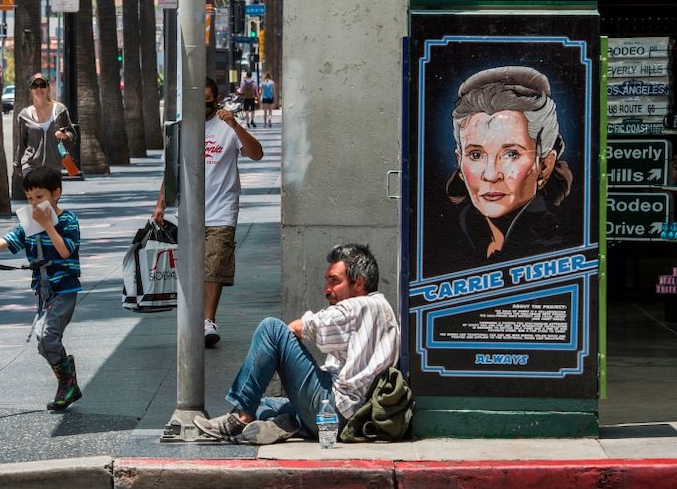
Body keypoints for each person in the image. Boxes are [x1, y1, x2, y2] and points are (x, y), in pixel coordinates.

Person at [193, 244, 400, 443]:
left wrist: (277, 356)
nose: (326, 289)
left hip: (339, 411)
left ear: (359, 283)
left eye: (334, 281)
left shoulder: (358, 306)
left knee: (271, 329)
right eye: (326, 281)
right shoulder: (381, 308)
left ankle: (241, 419)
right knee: (266, 403)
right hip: (354, 415)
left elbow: (301, 327)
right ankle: (288, 423)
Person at [429, 65, 576, 276]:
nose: (491, 174)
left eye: (511, 154)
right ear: (460, 163)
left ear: (544, 165)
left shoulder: (559, 238)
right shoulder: (448, 234)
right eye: (476, 155)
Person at [0, 165, 83, 411]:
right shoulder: (29, 222)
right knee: (42, 341)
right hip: (43, 290)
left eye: (40, 197)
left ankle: (67, 381)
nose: (35, 204)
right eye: (30, 199)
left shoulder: (68, 220)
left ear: (56, 193)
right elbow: (9, 240)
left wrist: (48, 225)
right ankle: (67, 380)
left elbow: (65, 250)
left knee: (48, 335)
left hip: (64, 290)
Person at [153, 78, 263, 347]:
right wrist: (160, 204)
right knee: (193, 269)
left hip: (222, 210)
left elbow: (256, 154)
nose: (203, 105)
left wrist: (235, 126)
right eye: (197, 100)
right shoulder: (181, 130)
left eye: (208, 100)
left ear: (216, 100)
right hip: (189, 212)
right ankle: (195, 318)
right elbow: (172, 170)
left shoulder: (228, 127)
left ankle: (208, 320)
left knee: (214, 266)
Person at [13, 73, 76, 196]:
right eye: (34, 86)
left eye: (42, 85)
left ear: (48, 88)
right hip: (31, 165)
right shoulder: (24, 115)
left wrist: (65, 136)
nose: (38, 89)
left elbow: (72, 135)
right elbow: (21, 142)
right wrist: (17, 165)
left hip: (53, 166)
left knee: (52, 201)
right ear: (31, 90)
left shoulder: (59, 110)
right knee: (36, 203)